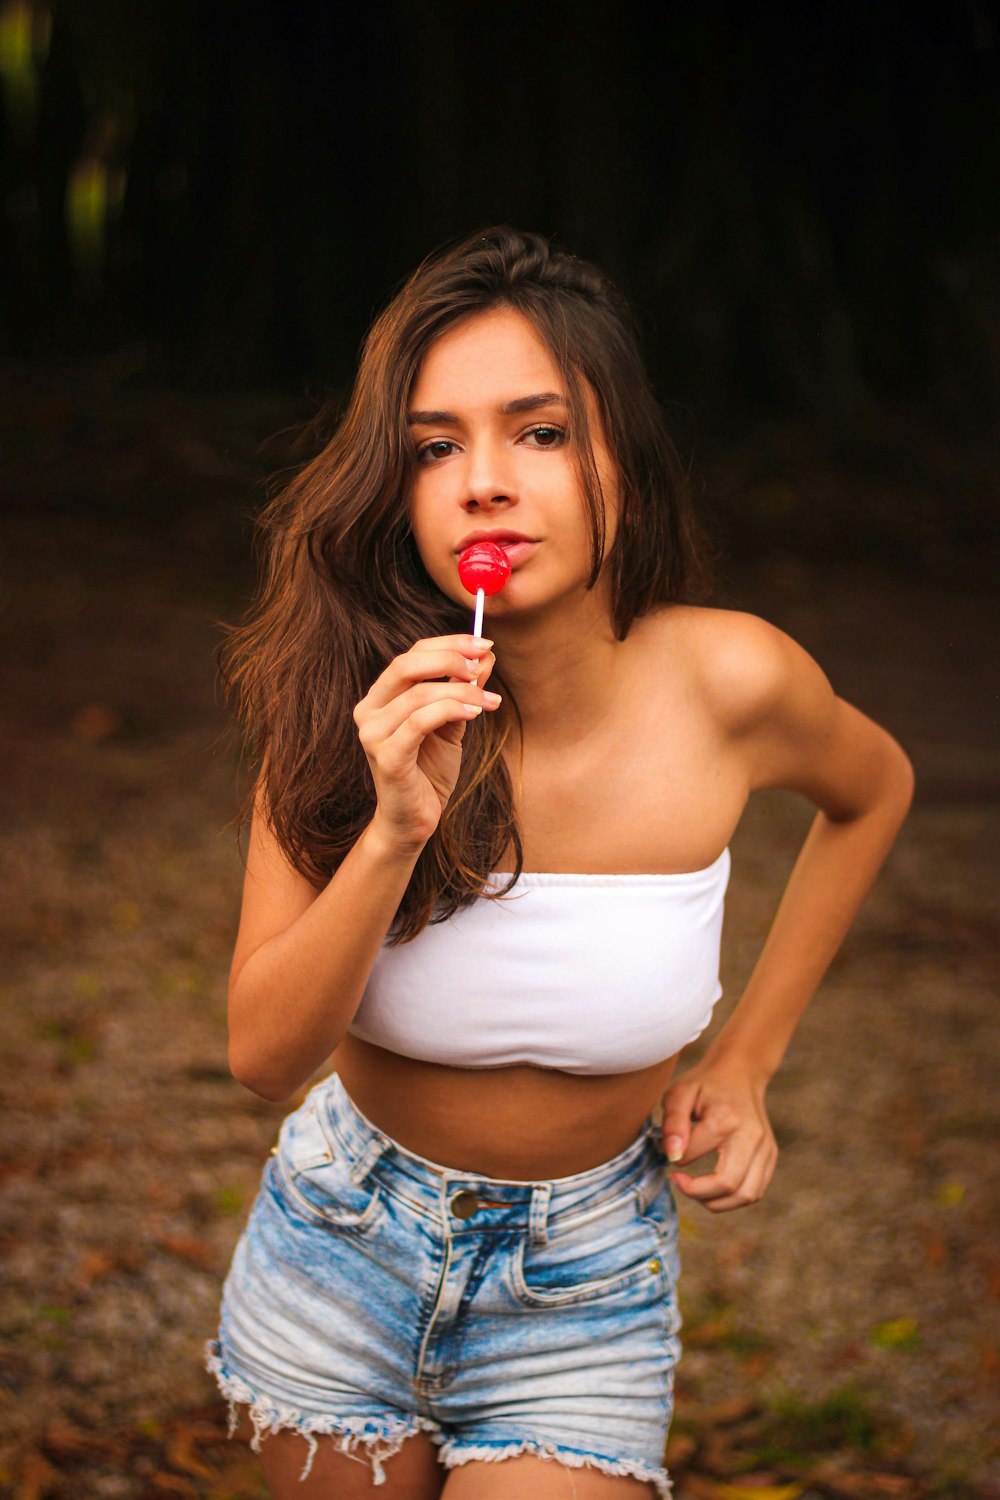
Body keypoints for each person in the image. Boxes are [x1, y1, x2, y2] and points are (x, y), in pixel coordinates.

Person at [205, 225, 914, 1499]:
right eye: (435, 446)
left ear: (621, 466)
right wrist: (392, 831)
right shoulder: (337, 709)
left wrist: (747, 1062)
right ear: (398, 489)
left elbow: (874, 793)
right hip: (342, 1248)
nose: (483, 481)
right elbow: (261, 1058)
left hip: (581, 1279)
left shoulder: (732, 681)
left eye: (538, 432)